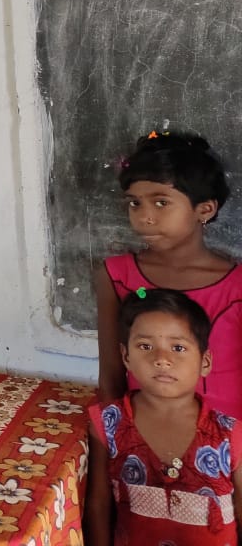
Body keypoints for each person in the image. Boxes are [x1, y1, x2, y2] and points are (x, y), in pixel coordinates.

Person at [95, 131, 242, 418]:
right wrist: (115, 437)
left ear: (205, 209)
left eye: (161, 202)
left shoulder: (236, 287)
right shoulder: (116, 276)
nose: (144, 217)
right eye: (135, 203)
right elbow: (111, 376)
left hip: (228, 438)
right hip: (144, 433)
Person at [86, 288, 242, 545]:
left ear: (205, 362)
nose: (161, 359)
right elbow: (98, 505)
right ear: (126, 356)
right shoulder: (107, 422)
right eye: (145, 346)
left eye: (178, 347)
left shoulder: (230, 433)